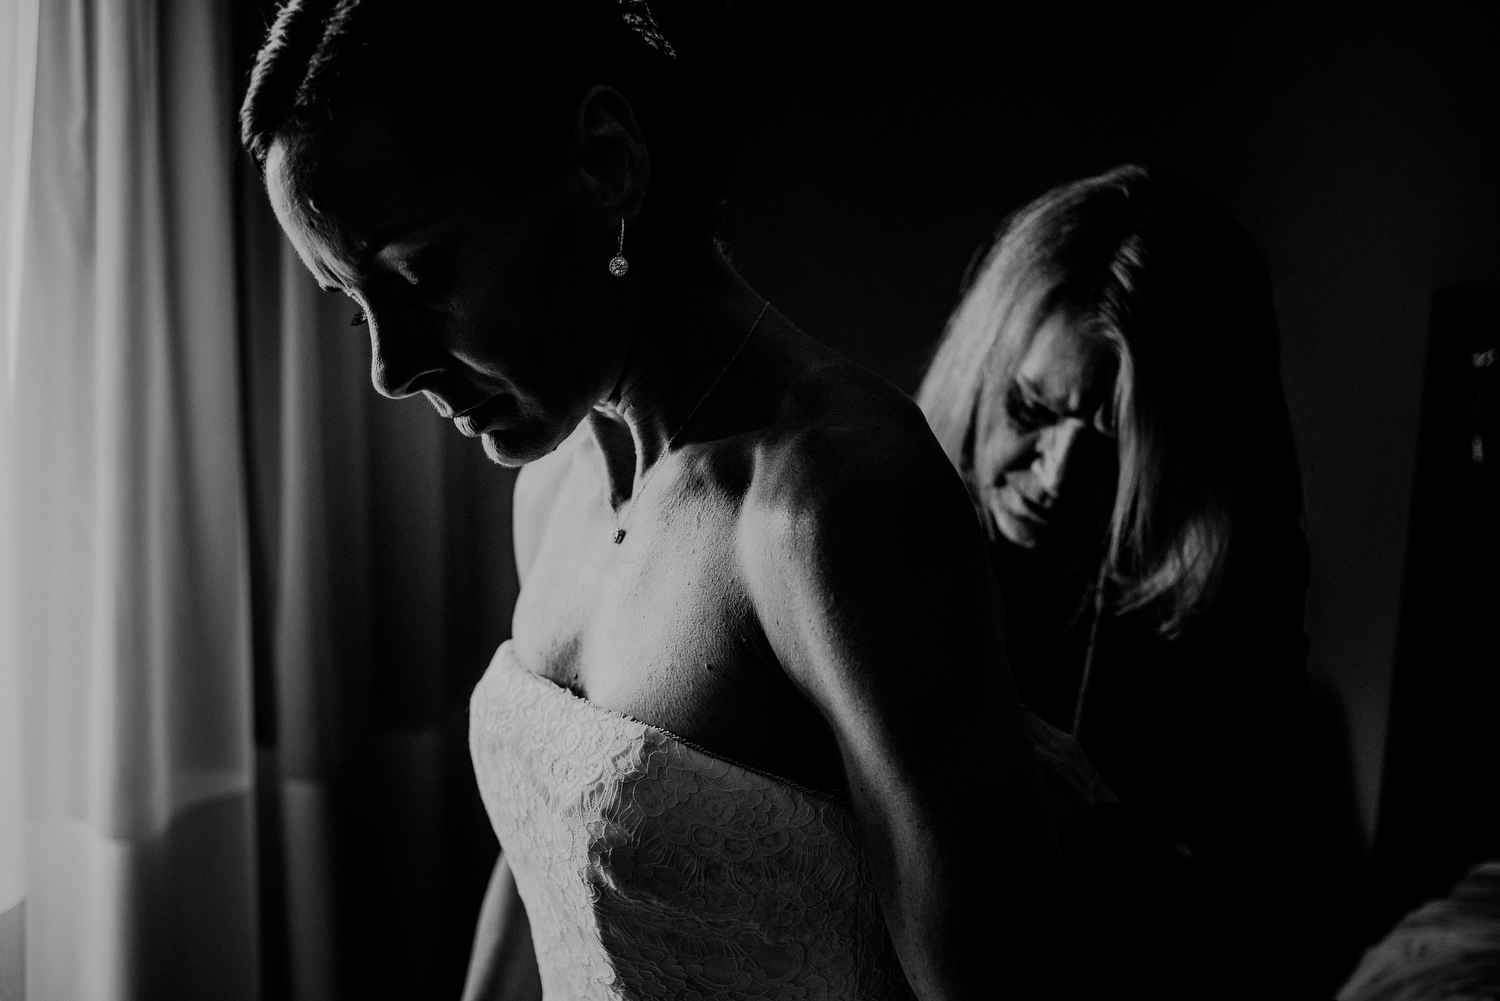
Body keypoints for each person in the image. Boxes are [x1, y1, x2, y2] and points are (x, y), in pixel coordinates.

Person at [241, 2, 1067, 999]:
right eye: (353, 298)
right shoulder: (556, 481)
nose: (390, 365)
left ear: (603, 161)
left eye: (423, 272)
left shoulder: (831, 510)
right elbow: (549, 847)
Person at [917, 166, 1333, 997]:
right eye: (1031, 411)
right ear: (981, 368)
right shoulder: (890, 520)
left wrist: (1108, 840)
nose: (1060, 477)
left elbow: (1262, 929)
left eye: (1116, 444)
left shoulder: (1241, 589)